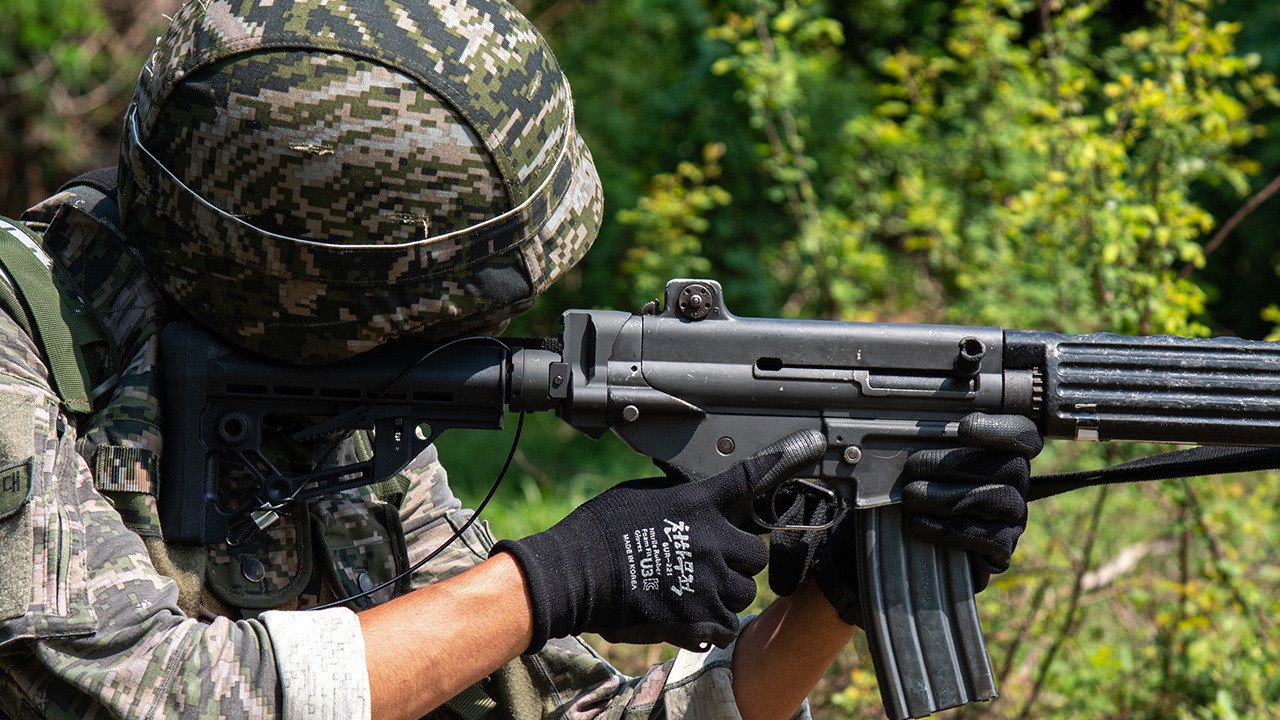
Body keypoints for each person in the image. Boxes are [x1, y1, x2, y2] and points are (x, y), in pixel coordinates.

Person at [0, 1, 1038, 718]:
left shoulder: (330, 411)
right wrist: (555, 577)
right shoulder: (20, 348)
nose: (487, 338)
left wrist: (834, 600)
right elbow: (142, 694)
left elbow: (580, 714)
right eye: (453, 312)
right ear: (333, 301)